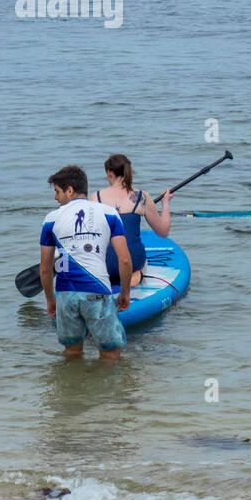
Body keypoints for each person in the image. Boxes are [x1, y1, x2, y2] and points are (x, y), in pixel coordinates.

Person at [40, 165, 131, 360]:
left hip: (65, 293)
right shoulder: (109, 213)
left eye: (57, 192)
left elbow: (46, 269)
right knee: (110, 354)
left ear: (70, 190)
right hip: (97, 290)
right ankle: (105, 389)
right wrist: (125, 293)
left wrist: (50, 299)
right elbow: (124, 259)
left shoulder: (51, 219)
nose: (56, 198)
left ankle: (74, 389)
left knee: (72, 352)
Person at [89, 154, 172, 288]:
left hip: (106, 263)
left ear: (109, 173)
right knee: (141, 260)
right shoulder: (142, 197)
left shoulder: (95, 197)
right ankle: (136, 274)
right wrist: (165, 203)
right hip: (133, 261)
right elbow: (163, 231)